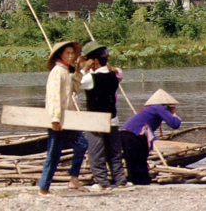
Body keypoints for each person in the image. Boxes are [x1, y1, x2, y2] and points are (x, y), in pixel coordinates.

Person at [38, 41, 88, 197]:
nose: (71, 56)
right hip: (58, 119)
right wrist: (55, 119)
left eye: (73, 53)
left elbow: (74, 88)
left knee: (82, 144)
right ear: (60, 55)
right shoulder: (57, 72)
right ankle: (44, 188)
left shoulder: (66, 71)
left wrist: (79, 69)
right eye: (68, 53)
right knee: (54, 153)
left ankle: (73, 179)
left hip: (67, 120)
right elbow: (53, 97)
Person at [79, 41, 128, 190]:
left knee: (96, 153)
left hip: (95, 121)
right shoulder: (114, 76)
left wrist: (83, 69)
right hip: (112, 119)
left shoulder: (89, 79)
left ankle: (102, 182)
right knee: (114, 152)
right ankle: (120, 181)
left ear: (93, 61)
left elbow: (74, 83)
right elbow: (119, 72)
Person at [120, 89, 181, 185]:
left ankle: (134, 181)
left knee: (133, 161)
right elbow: (175, 124)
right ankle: (141, 182)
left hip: (125, 133)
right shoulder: (159, 107)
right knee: (139, 159)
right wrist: (173, 113)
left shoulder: (150, 108)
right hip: (135, 134)